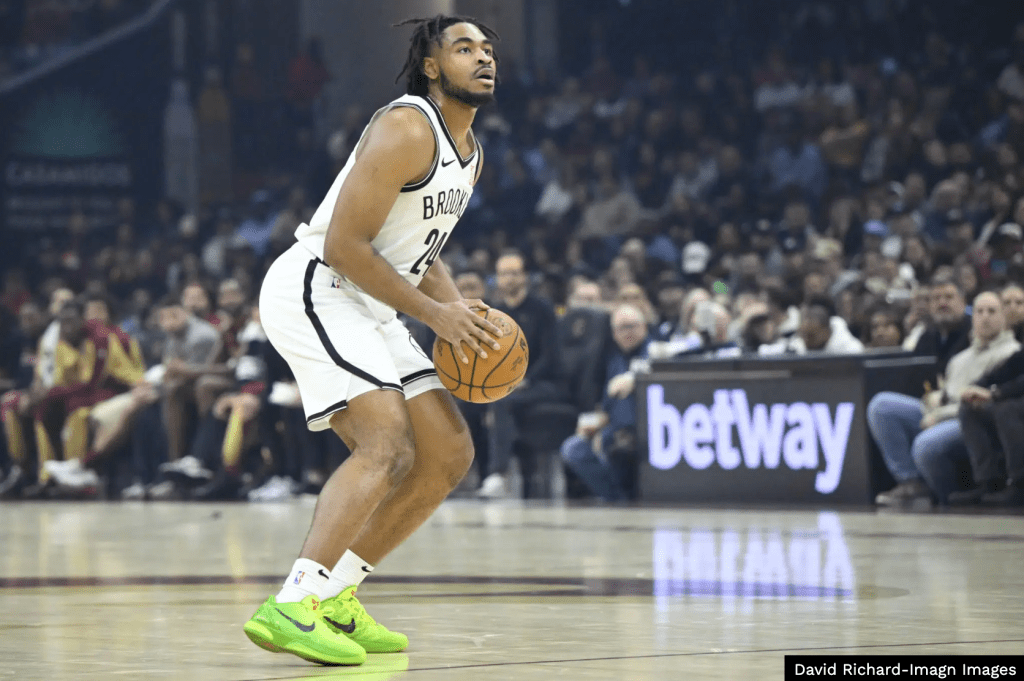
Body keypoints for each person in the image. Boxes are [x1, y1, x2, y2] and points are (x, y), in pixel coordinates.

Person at [245, 15, 503, 667]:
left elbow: (418, 251)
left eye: (487, 49)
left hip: (372, 302)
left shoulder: (471, 156)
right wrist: (435, 317)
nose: (483, 58)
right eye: (464, 48)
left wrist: (455, 309)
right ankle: (293, 602)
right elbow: (344, 245)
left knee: (447, 453)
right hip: (319, 285)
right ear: (432, 67)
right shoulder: (407, 127)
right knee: (385, 442)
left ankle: (336, 596)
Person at [868, 291, 1019, 506]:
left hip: (970, 419)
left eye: (992, 311)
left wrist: (938, 416)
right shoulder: (960, 358)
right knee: (882, 406)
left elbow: (981, 403)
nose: (985, 317)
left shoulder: (1010, 353)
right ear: (973, 317)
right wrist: (935, 399)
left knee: (925, 444)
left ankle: (945, 497)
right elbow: (948, 394)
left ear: (1004, 318)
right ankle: (910, 481)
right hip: (942, 413)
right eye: (980, 311)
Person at [478, 250, 561, 499]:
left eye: (514, 273)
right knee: (471, 404)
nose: (509, 279)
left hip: (543, 382)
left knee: (501, 402)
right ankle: (476, 475)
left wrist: (524, 380)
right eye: (504, 274)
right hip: (508, 385)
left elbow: (550, 357)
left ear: (525, 277)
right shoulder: (495, 313)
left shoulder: (542, 308)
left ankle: (498, 474)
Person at [560, 304, 650, 501]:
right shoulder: (611, 359)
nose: (627, 332)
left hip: (647, 431)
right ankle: (617, 499)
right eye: (621, 328)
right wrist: (592, 425)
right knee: (573, 448)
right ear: (613, 333)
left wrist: (635, 378)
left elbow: (656, 366)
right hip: (613, 432)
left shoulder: (654, 351)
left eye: (632, 326)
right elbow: (606, 406)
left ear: (644, 327)